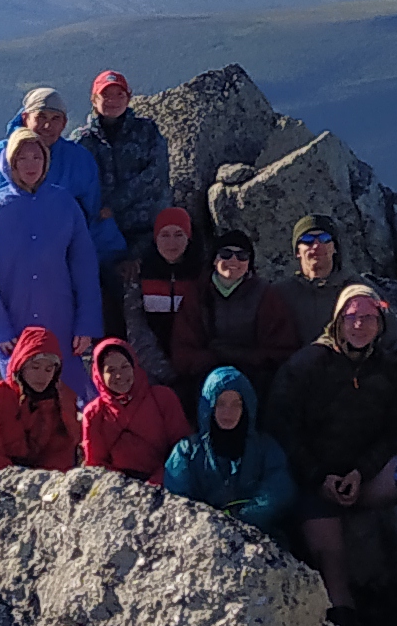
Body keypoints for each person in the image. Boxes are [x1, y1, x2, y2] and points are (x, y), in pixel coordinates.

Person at [269, 283, 397, 621]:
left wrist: (361, 472)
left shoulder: (390, 370)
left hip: (365, 478)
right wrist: (320, 477)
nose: (359, 325)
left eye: (369, 318)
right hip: (315, 482)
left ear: (380, 324)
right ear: (337, 321)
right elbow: (282, 428)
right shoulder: (306, 364)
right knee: (332, 563)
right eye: (352, 317)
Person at [0, 126, 100, 360]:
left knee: (66, 391)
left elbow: (84, 266)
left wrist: (86, 324)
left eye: (37, 157)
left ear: (46, 161)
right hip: (14, 329)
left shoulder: (64, 203)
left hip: (61, 321)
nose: (31, 165)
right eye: (22, 158)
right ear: (11, 162)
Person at [0, 83, 103, 289]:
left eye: (55, 119)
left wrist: (112, 258)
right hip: (5, 275)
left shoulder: (78, 160)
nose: (48, 126)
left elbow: (93, 215)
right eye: (41, 117)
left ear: (64, 124)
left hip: (59, 275)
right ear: (26, 118)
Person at [164, 364, 297, 538]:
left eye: (236, 404)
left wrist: (247, 516)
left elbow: (279, 489)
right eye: (220, 404)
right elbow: (178, 497)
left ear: (247, 407)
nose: (228, 412)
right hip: (203, 538)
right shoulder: (187, 452)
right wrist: (211, 523)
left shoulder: (265, 447)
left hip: (259, 537)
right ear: (209, 407)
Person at [186, 225, 304, 396]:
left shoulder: (265, 295)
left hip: (256, 381)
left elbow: (283, 350)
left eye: (241, 256)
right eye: (226, 254)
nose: (233, 260)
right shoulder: (198, 293)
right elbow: (183, 350)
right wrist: (212, 359)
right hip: (206, 381)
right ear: (214, 260)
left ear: (249, 264)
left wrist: (243, 357)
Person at [77, 70, 170, 281]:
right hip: (103, 235)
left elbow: (156, 175)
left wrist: (112, 206)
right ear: (93, 99)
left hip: (147, 230)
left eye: (120, 95)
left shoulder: (147, 131)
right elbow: (78, 185)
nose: (113, 101)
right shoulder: (81, 141)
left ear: (129, 97)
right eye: (106, 95)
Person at [0, 324, 84, 472]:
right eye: (35, 367)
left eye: (49, 369)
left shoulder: (62, 401)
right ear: (21, 366)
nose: (41, 376)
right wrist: (16, 477)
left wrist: (46, 481)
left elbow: (61, 454)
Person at [120, 204, 213, 383]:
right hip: (151, 367)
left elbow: (207, 325)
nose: (172, 243)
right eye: (165, 235)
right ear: (155, 238)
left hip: (195, 366)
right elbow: (136, 326)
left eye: (179, 235)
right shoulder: (140, 274)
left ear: (189, 238)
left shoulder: (202, 275)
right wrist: (160, 368)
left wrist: (194, 362)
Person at [77, 334, 186, 481]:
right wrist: (124, 487)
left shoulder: (162, 397)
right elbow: (96, 463)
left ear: (135, 366)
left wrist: (157, 481)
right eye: (111, 370)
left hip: (167, 481)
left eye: (125, 367)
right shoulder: (94, 413)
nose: (119, 375)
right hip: (117, 488)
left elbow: (181, 447)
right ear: (100, 375)